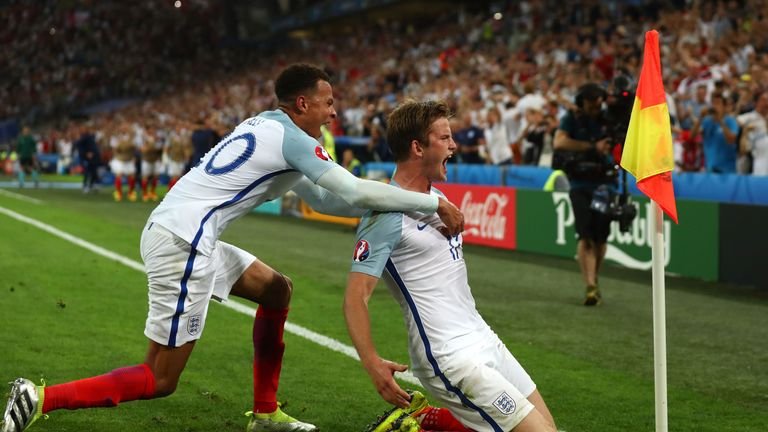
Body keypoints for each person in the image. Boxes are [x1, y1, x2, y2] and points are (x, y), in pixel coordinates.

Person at [1, 63, 463, 432]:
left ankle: (266, 414)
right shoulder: (294, 138)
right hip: (185, 242)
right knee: (160, 378)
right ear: (303, 104)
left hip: (186, 232)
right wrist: (430, 204)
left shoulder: (267, 125)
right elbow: (358, 193)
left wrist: (392, 209)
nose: (334, 113)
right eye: (328, 103)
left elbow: (328, 198)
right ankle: (40, 398)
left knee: (277, 290)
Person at [344, 100, 556, 432]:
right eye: (444, 138)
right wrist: (372, 365)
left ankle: (420, 423)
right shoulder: (385, 216)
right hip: (448, 356)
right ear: (417, 147)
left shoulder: (441, 201)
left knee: (548, 427)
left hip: (483, 337)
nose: (454, 145)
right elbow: (355, 298)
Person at [552, 83, 616, 306]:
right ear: (582, 102)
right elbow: (558, 142)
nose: (595, 105)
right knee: (585, 235)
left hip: (606, 185)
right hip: (579, 183)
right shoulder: (572, 119)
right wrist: (591, 147)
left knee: (601, 238)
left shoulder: (610, 118)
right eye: (590, 101)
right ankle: (590, 285)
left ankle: (594, 278)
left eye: (598, 100)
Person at [689, 92, 739, 174]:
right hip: (710, 169)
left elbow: (731, 140)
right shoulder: (707, 121)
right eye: (713, 103)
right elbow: (692, 136)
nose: (715, 106)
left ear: (724, 107)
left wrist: (720, 120)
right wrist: (700, 117)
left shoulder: (731, 121)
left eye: (718, 103)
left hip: (727, 170)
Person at [73, 124, 100, 193]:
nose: (82, 130)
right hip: (85, 157)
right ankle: (86, 186)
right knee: (87, 172)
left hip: (92, 157)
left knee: (92, 171)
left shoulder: (89, 137)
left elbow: (92, 146)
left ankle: (91, 185)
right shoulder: (82, 138)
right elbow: (77, 145)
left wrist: (92, 152)